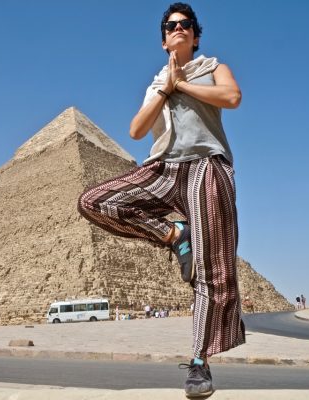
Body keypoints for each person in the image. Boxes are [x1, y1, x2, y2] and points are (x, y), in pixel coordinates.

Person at [78, 3, 244, 397]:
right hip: (163, 168)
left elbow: (232, 97)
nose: (178, 29)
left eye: (186, 24)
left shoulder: (213, 67)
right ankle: (174, 234)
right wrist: (165, 88)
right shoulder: (156, 83)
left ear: (196, 35)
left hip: (206, 167)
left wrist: (182, 84)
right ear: (164, 37)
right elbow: (137, 130)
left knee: (212, 269)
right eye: (171, 26)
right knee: (96, 201)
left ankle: (200, 364)